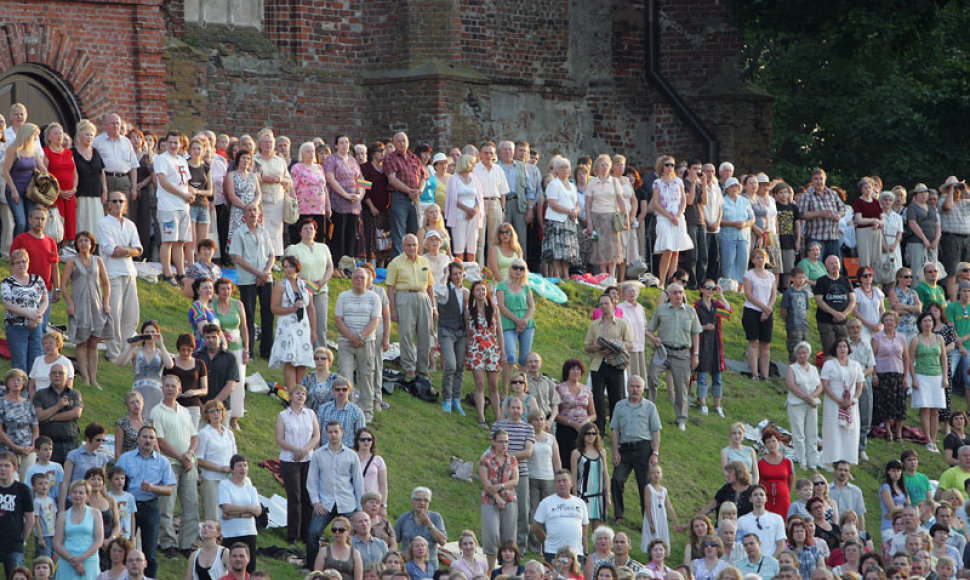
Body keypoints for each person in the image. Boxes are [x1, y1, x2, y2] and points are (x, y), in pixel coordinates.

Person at [151, 375, 200, 558]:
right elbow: (160, 441)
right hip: (169, 465)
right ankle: (168, 543)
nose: (170, 389)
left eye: (174, 386)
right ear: (162, 389)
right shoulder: (157, 412)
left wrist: (190, 454)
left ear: (180, 390)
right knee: (167, 507)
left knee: (191, 505)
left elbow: (194, 437)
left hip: (188, 465)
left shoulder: (185, 411)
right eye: (167, 386)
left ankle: (187, 544)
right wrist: (181, 457)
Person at [307, 421, 364, 568]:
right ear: (326, 434)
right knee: (313, 532)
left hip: (347, 503)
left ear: (342, 433)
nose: (333, 435)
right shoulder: (318, 454)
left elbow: (358, 481)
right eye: (330, 432)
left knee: (350, 537)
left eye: (336, 431)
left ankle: (351, 567)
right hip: (325, 503)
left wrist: (359, 508)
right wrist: (315, 502)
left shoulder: (352, 455)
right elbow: (312, 480)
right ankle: (312, 567)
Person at [646, 282, 702, 431]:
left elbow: (696, 333)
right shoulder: (661, 310)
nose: (678, 295)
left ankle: (681, 419)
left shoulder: (691, 311)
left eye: (680, 292)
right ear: (669, 295)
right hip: (663, 351)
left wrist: (695, 354)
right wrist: (654, 339)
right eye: (675, 292)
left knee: (681, 387)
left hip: (682, 353)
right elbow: (649, 330)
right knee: (652, 376)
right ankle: (649, 413)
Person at [61, 231, 111, 388]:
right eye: (80, 241)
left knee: (93, 342)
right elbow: (63, 284)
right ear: (76, 244)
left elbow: (106, 283)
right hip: (80, 304)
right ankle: (85, 377)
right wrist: (70, 303)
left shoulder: (98, 261)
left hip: (96, 304)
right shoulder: (72, 261)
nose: (83, 243)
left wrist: (106, 302)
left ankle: (94, 377)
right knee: (81, 341)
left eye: (86, 241)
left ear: (92, 244)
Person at [96, 192, 142, 365]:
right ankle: (113, 353)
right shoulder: (103, 223)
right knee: (114, 314)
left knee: (131, 315)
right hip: (112, 274)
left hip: (130, 273)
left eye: (120, 201)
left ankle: (126, 352)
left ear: (125, 204)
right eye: (114, 201)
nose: (117, 204)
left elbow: (138, 250)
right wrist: (129, 250)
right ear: (109, 204)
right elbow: (111, 251)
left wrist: (127, 250)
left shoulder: (130, 225)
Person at [609, 375, 661, 524]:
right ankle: (619, 515)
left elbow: (656, 430)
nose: (635, 389)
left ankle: (647, 519)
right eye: (632, 386)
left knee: (644, 485)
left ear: (642, 389)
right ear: (627, 388)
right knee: (616, 480)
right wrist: (615, 452)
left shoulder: (650, 406)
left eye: (638, 387)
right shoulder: (619, 406)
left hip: (643, 448)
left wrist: (655, 452)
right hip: (624, 449)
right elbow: (614, 430)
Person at [274, 383, 319, 547]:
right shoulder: (283, 415)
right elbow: (280, 439)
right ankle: (293, 534)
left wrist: (305, 450)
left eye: (303, 394)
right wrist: (296, 450)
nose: (300, 396)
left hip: (308, 459)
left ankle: (307, 533)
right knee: (294, 497)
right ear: (290, 396)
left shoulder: (310, 414)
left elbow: (316, 435)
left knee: (307, 497)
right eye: (297, 393)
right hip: (289, 460)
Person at [387, 233, 435, 382]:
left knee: (425, 334)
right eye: (408, 245)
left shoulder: (424, 262)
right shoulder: (395, 263)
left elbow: (430, 285)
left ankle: (423, 369)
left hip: (423, 296)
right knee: (406, 334)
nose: (412, 248)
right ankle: (409, 367)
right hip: (404, 296)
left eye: (414, 245)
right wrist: (393, 310)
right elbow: (390, 287)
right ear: (403, 247)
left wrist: (433, 307)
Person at [231, 204, 276, 361]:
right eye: (249, 210)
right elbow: (237, 258)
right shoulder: (239, 233)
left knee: (268, 314)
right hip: (247, 279)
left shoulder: (264, 231)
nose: (252, 213)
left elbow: (271, 255)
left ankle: (267, 351)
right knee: (248, 315)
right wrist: (258, 273)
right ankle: (248, 350)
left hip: (266, 278)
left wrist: (266, 272)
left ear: (259, 213)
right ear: (244, 214)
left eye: (254, 210)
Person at [335, 268, 382, 420]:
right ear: (352, 279)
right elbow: (338, 320)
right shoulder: (343, 297)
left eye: (362, 278)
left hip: (366, 342)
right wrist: (351, 337)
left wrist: (361, 337)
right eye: (356, 277)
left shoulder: (374, 298)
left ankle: (367, 413)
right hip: (345, 343)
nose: (359, 280)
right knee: (345, 377)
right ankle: (348, 410)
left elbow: (375, 321)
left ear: (368, 280)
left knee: (367, 376)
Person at [586, 293, 633, 434]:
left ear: (613, 305)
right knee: (597, 399)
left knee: (617, 399)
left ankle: (616, 432)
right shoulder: (594, 325)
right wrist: (598, 347)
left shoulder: (622, 323)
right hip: (598, 364)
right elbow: (587, 346)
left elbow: (630, 344)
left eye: (607, 303)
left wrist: (615, 345)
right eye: (601, 304)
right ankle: (599, 431)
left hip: (616, 365)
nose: (604, 306)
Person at [285, 218, 334, 349]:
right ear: (300, 232)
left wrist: (322, 282)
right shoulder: (294, 249)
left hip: (321, 290)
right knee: (303, 324)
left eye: (311, 228)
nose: (308, 231)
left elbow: (330, 267)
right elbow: (290, 270)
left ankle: (321, 354)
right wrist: (308, 283)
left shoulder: (324, 248)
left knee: (320, 325)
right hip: (302, 292)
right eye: (305, 228)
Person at [268, 255, 316, 388]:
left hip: (303, 325)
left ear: (297, 267)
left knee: (302, 360)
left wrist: (314, 330)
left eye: (291, 266)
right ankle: (291, 391)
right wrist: (291, 309)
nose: (288, 270)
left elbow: (311, 308)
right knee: (290, 359)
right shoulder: (280, 285)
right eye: (286, 267)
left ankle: (300, 390)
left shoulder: (305, 285)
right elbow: (274, 308)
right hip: (287, 325)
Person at [819, 338, 865, 467]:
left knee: (850, 432)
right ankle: (832, 460)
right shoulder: (829, 364)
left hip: (850, 404)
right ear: (835, 349)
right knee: (833, 430)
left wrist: (854, 399)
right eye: (840, 347)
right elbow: (825, 384)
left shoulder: (855, 365)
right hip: (834, 403)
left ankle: (847, 462)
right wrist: (837, 400)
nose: (842, 349)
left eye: (844, 346)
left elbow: (860, 385)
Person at [479, 428, 519, 570]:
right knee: (492, 535)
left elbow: (515, 480)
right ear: (494, 442)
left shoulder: (512, 459)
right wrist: (496, 497)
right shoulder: (485, 460)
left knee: (509, 537)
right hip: (489, 500)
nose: (504, 444)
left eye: (507, 442)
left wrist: (501, 486)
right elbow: (486, 483)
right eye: (501, 441)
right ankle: (491, 570)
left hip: (509, 499)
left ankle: (507, 569)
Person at [465, 279, 504, 426]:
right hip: (476, 350)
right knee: (480, 385)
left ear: (487, 292)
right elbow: (468, 333)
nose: (481, 293)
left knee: (493, 386)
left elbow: (499, 333)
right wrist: (468, 352)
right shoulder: (469, 312)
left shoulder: (494, 310)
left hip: (492, 350)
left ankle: (498, 417)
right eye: (478, 290)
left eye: (483, 290)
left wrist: (503, 352)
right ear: (473, 294)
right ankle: (481, 417)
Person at [2, 248, 48, 372]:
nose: (21, 265)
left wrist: (38, 315)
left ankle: (33, 391)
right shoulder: (7, 283)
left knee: (36, 363)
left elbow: (45, 300)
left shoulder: (37, 279)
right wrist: (29, 315)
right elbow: (8, 304)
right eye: (17, 262)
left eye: (24, 261)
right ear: (12, 265)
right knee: (19, 363)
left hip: (36, 326)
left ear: (28, 262)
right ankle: (21, 391)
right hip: (16, 327)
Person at [117, 320, 173, 420]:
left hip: (156, 392)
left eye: (153, 332)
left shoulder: (160, 352)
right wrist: (131, 346)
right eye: (147, 332)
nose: (150, 335)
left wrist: (162, 344)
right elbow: (120, 363)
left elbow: (169, 365)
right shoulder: (136, 351)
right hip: (139, 391)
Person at [384, 133, 428, 257]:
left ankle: (413, 261)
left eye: (404, 141)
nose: (401, 143)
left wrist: (419, 190)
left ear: (408, 142)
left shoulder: (414, 158)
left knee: (414, 232)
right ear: (394, 143)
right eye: (398, 141)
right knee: (399, 233)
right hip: (399, 198)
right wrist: (409, 190)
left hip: (415, 199)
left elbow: (424, 176)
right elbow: (392, 179)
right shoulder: (390, 158)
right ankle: (399, 264)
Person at [910, 311, 949, 453]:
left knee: (935, 410)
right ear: (920, 323)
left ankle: (934, 439)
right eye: (925, 321)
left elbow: (943, 358)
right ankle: (928, 439)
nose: (928, 323)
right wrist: (913, 378)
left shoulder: (939, 339)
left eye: (930, 321)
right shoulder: (916, 339)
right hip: (921, 375)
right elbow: (911, 359)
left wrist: (945, 377)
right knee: (925, 408)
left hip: (937, 375)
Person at [652, 155, 693, 285]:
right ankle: (662, 280)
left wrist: (678, 215)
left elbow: (683, 200)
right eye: (667, 165)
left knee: (676, 250)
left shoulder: (678, 181)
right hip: (664, 217)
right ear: (662, 167)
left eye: (672, 165)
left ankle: (672, 280)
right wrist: (669, 216)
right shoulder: (657, 183)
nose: (670, 167)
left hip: (678, 217)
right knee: (667, 249)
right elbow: (655, 203)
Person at [532, 470, 589, 561]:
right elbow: (535, 527)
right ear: (555, 485)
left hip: (576, 553)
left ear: (571, 483)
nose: (561, 483)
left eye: (564, 480)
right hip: (553, 552)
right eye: (558, 481)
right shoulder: (546, 502)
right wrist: (547, 541)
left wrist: (586, 552)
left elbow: (585, 530)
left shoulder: (580, 503)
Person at [496, 258, 536, 386]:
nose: (518, 271)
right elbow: (501, 306)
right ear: (510, 269)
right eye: (515, 267)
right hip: (508, 323)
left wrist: (524, 321)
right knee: (510, 358)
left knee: (524, 360)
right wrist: (518, 321)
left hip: (527, 325)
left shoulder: (526, 286)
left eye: (521, 268)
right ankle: (505, 390)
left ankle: (520, 388)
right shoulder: (502, 285)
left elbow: (532, 306)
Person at [218, 455, 261, 573]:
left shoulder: (250, 488)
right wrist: (248, 509)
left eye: (245, 465)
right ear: (232, 469)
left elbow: (257, 511)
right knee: (229, 569)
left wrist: (236, 515)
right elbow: (226, 508)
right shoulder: (224, 485)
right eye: (239, 466)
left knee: (249, 568)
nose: (243, 468)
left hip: (249, 532)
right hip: (229, 533)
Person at [33, 363, 83, 464]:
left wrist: (51, 417)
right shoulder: (40, 394)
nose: (57, 375)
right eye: (54, 373)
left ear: (67, 376)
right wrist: (58, 406)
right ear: (49, 376)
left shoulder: (74, 394)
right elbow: (39, 416)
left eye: (61, 373)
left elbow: (76, 413)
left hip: (70, 443)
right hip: (48, 444)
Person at [252, 129, 291, 258]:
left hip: (277, 199)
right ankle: (261, 255)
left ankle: (274, 257)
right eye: (265, 142)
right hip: (260, 198)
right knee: (261, 227)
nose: (268, 145)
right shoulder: (254, 159)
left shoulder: (280, 160)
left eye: (270, 142)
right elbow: (250, 177)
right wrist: (264, 179)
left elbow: (289, 180)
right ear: (260, 144)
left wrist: (280, 179)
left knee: (276, 229)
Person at [53, 479, 102, 580]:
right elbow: (57, 543)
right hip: (67, 561)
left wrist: (82, 558)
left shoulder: (96, 513)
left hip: (89, 560)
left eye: (81, 493)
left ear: (87, 495)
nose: (77, 495)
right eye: (74, 492)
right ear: (70, 495)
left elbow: (99, 540)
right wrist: (74, 561)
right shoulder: (62, 516)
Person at [437, 262, 469, 414]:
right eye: (454, 273)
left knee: (459, 366)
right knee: (450, 365)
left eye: (459, 273)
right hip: (446, 330)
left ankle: (456, 399)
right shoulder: (446, 290)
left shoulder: (466, 292)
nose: (457, 276)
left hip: (461, 331)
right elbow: (438, 290)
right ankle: (446, 398)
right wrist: (444, 274)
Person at [586, 155, 625, 278]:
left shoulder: (614, 182)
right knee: (600, 247)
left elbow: (621, 200)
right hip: (597, 215)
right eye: (602, 165)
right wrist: (589, 223)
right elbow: (588, 205)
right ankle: (603, 275)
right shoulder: (592, 183)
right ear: (597, 167)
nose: (604, 167)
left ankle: (612, 276)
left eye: (606, 165)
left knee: (613, 246)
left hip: (612, 217)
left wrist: (626, 217)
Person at [542, 157, 581, 279]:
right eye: (562, 168)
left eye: (566, 167)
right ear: (556, 170)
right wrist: (569, 211)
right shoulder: (554, 184)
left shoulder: (572, 185)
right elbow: (552, 203)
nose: (565, 170)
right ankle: (557, 275)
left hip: (569, 221)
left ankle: (566, 274)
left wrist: (575, 211)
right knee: (556, 250)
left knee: (568, 250)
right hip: (556, 220)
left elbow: (577, 204)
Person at [197, 400, 236, 521]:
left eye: (218, 410)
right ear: (207, 415)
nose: (216, 414)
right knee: (212, 516)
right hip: (211, 479)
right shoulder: (204, 433)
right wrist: (220, 468)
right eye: (212, 411)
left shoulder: (229, 433)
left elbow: (235, 456)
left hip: (227, 480)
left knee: (227, 516)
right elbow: (199, 459)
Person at [786, 342, 822, 470]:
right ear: (796, 355)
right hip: (796, 404)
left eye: (805, 352)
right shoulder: (792, 368)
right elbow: (792, 386)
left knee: (812, 434)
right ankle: (801, 460)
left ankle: (812, 462)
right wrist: (807, 398)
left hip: (812, 405)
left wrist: (812, 398)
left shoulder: (813, 369)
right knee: (799, 434)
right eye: (800, 353)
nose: (803, 355)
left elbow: (819, 386)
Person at [742, 249, 776, 382]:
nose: (760, 260)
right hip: (752, 310)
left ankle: (765, 374)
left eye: (762, 258)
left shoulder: (771, 276)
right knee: (754, 341)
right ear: (753, 260)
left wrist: (768, 310)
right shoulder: (749, 275)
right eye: (757, 258)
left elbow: (773, 294)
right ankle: (754, 373)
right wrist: (763, 308)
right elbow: (749, 294)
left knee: (766, 343)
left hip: (767, 311)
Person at [394, 487, 447, 571]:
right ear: (412, 502)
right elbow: (393, 540)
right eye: (418, 500)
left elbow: (442, 541)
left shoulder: (436, 517)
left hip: (430, 567)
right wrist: (399, 553)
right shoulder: (404, 518)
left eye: (426, 500)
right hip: (407, 566)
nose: (422, 503)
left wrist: (429, 523)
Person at [60, 423, 111, 510]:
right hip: (75, 499)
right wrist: (61, 507)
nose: (100, 443)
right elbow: (65, 482)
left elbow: (103, 483)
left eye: (103, 440)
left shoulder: (102, 458)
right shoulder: (73, 455)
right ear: (88, 439)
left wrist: (106, 499)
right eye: (98, 440)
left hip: (94, 502)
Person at [0, 451, 34, 578]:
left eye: (6, 465)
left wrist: (23, 538)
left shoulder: (22, 489)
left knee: (16, 576)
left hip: (14, 543)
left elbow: (30, 518)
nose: (2, 469)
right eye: (0, 465)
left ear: (15, 468)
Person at [43, 122, 78, 246]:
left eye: (61, 133)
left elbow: (75, 173)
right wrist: (58, 192)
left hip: (69, 194)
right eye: (56, 133)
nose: (59, 136)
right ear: (49, 137)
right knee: (57, 224)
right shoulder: (46, 152)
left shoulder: (69, 153)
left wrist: (74, 188)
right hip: (55, 195)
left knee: (69, 224)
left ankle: (66, 249)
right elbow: (44, 175)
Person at [814, 255, 855, 355]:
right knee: (829, 352)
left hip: (842, 322)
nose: (834, 265)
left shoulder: (846, 280)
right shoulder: (821, 281)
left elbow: (852, 300)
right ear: (826, 266)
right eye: (831, 263)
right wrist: (834, 313)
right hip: (826, 321)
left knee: (844, 351)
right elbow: (819, 301)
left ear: (840, 265)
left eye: (836, 263)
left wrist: (844, 314)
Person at [758, 426, 794, 519]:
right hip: (765, 500)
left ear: (779, 442)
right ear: (765, 444)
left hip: (782, 500)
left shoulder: (787, 461)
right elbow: (757, 481)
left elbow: (791, 480)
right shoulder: (760, 462)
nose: (771, 444)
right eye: (768, 442)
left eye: (773, 441)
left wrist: (784, 491)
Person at [738, 486, 785, 557]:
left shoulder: (777, 519)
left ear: (766, 498)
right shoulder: (742, 520)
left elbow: (781, 545)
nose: (759, 497)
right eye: (755, 495)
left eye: (761, 494)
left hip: (771, 563)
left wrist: (769, 562)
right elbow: (740, 545)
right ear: (750, 499)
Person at [28, 331, 75, 396]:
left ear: (58, 344)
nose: (47, 345)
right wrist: (35, 400)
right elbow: (31, 385)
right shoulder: (38, 360)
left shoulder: (65, 362)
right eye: (45, 343)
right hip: (38, 399)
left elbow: (69, 386)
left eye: (50, 343)